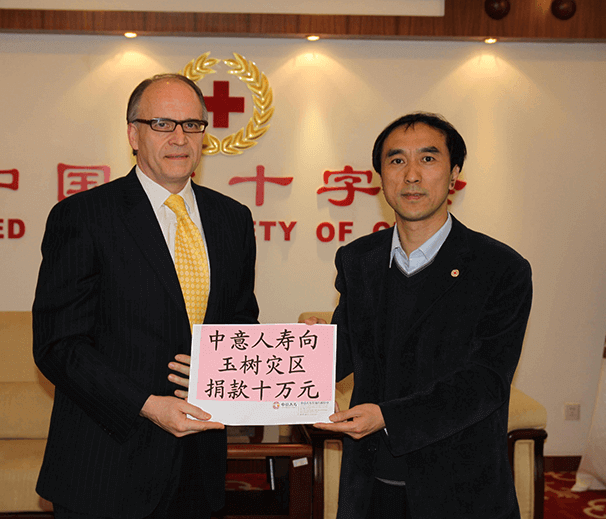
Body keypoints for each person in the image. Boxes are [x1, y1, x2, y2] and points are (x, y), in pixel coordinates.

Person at [32, 73, 259, 519]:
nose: (179, 137)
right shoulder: (83, 216)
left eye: (192, 125)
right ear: (133, 135)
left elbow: (239, 324)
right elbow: (58, 345)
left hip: (198, 467)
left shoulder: (232, 218)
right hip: (105, 465)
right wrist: (148, 406)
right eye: (162, 124)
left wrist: (297, 348)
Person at [310, 112, 533, 519]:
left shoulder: (500, 268)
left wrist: (388, 417)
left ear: (454, 174)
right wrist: (310, 348)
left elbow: (485, 381)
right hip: (370, 484)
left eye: (428, 159)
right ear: (381, 177)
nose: (411, 175)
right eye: (397, 160)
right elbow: (348, 352)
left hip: (459, 489)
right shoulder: (359, 259)